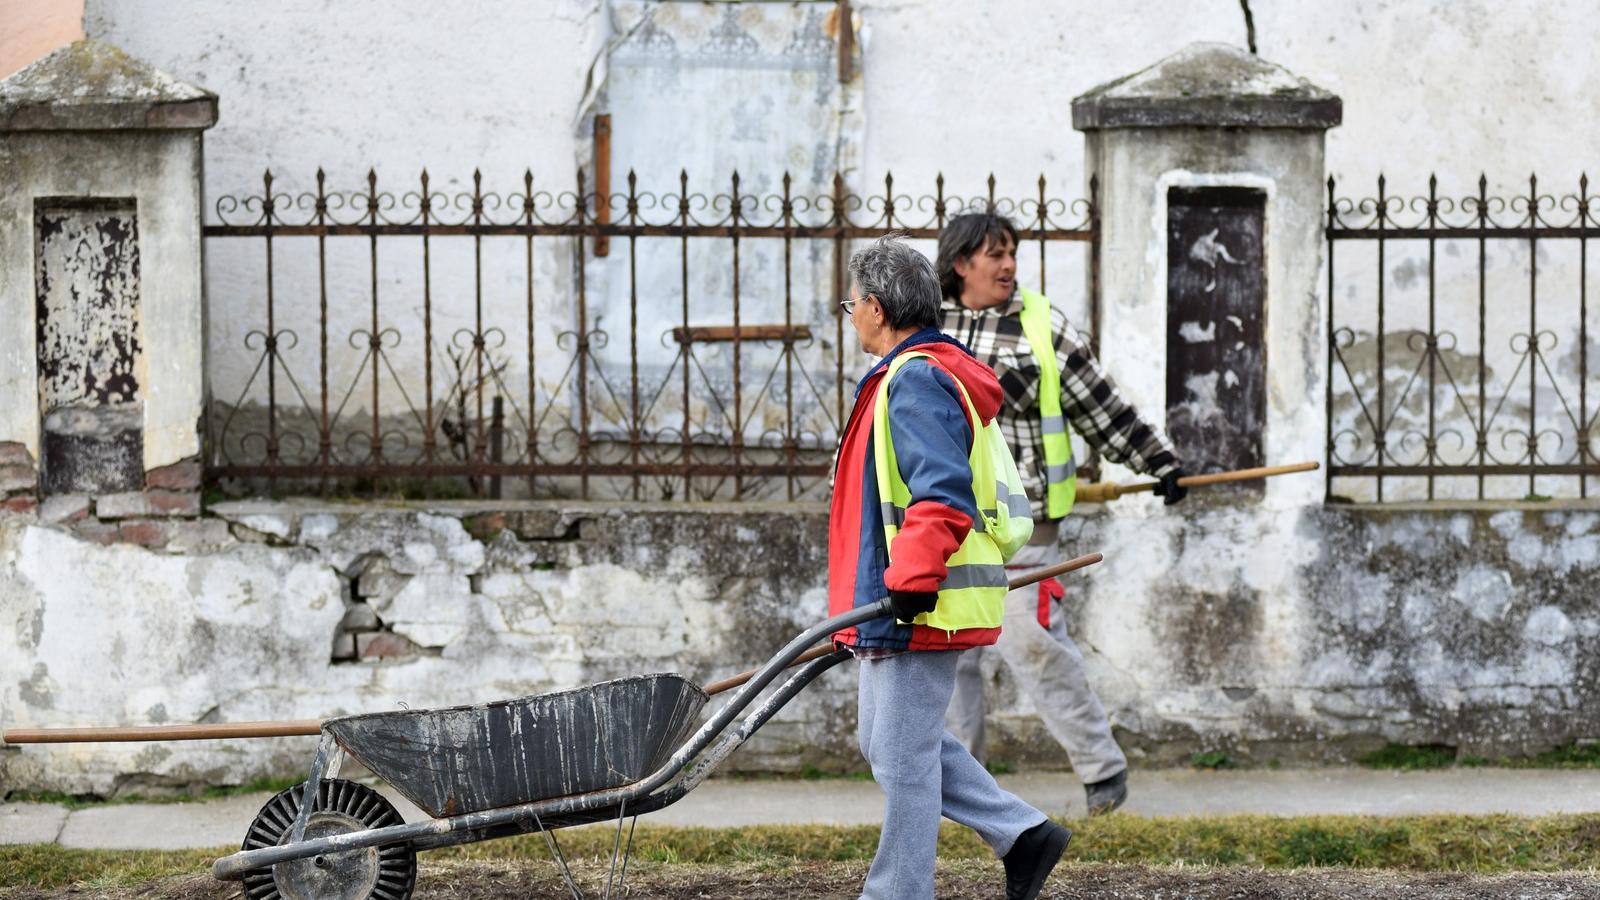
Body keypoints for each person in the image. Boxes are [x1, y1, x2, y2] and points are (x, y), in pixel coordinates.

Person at [829, 234, 1071, 900]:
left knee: (904, 761)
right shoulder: (903, 377)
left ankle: (897, 894)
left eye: (850, 304)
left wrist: (909, 583)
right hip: (891, 594)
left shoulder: (916, 381)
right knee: (885, 744)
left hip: (918, 599)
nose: (849, 314)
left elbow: (940, 492)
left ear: (876, 309)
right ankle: (1023, 834)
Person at [937, 212, 1188, 817]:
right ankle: (955, 795)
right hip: (945, 529)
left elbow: (1103, 407)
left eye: (1012, 253)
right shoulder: (928, 328)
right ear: (959, 264)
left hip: (1025, 529)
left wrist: (1158, 461)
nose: (1008, 265)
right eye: (994, 255)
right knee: (946, 664)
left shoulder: (1042, 326)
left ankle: (1103, 774)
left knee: (1036, 645)